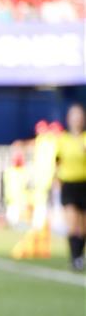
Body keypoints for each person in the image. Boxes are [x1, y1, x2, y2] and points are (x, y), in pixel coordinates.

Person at [55, 103, 86, 271]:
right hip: (69, 185)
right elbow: (57, 162)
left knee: (83, 226)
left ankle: (79, 255)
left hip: (84, 184)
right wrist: (56, 180)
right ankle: (74, 257)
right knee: (73, 223)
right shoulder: (63, 140)